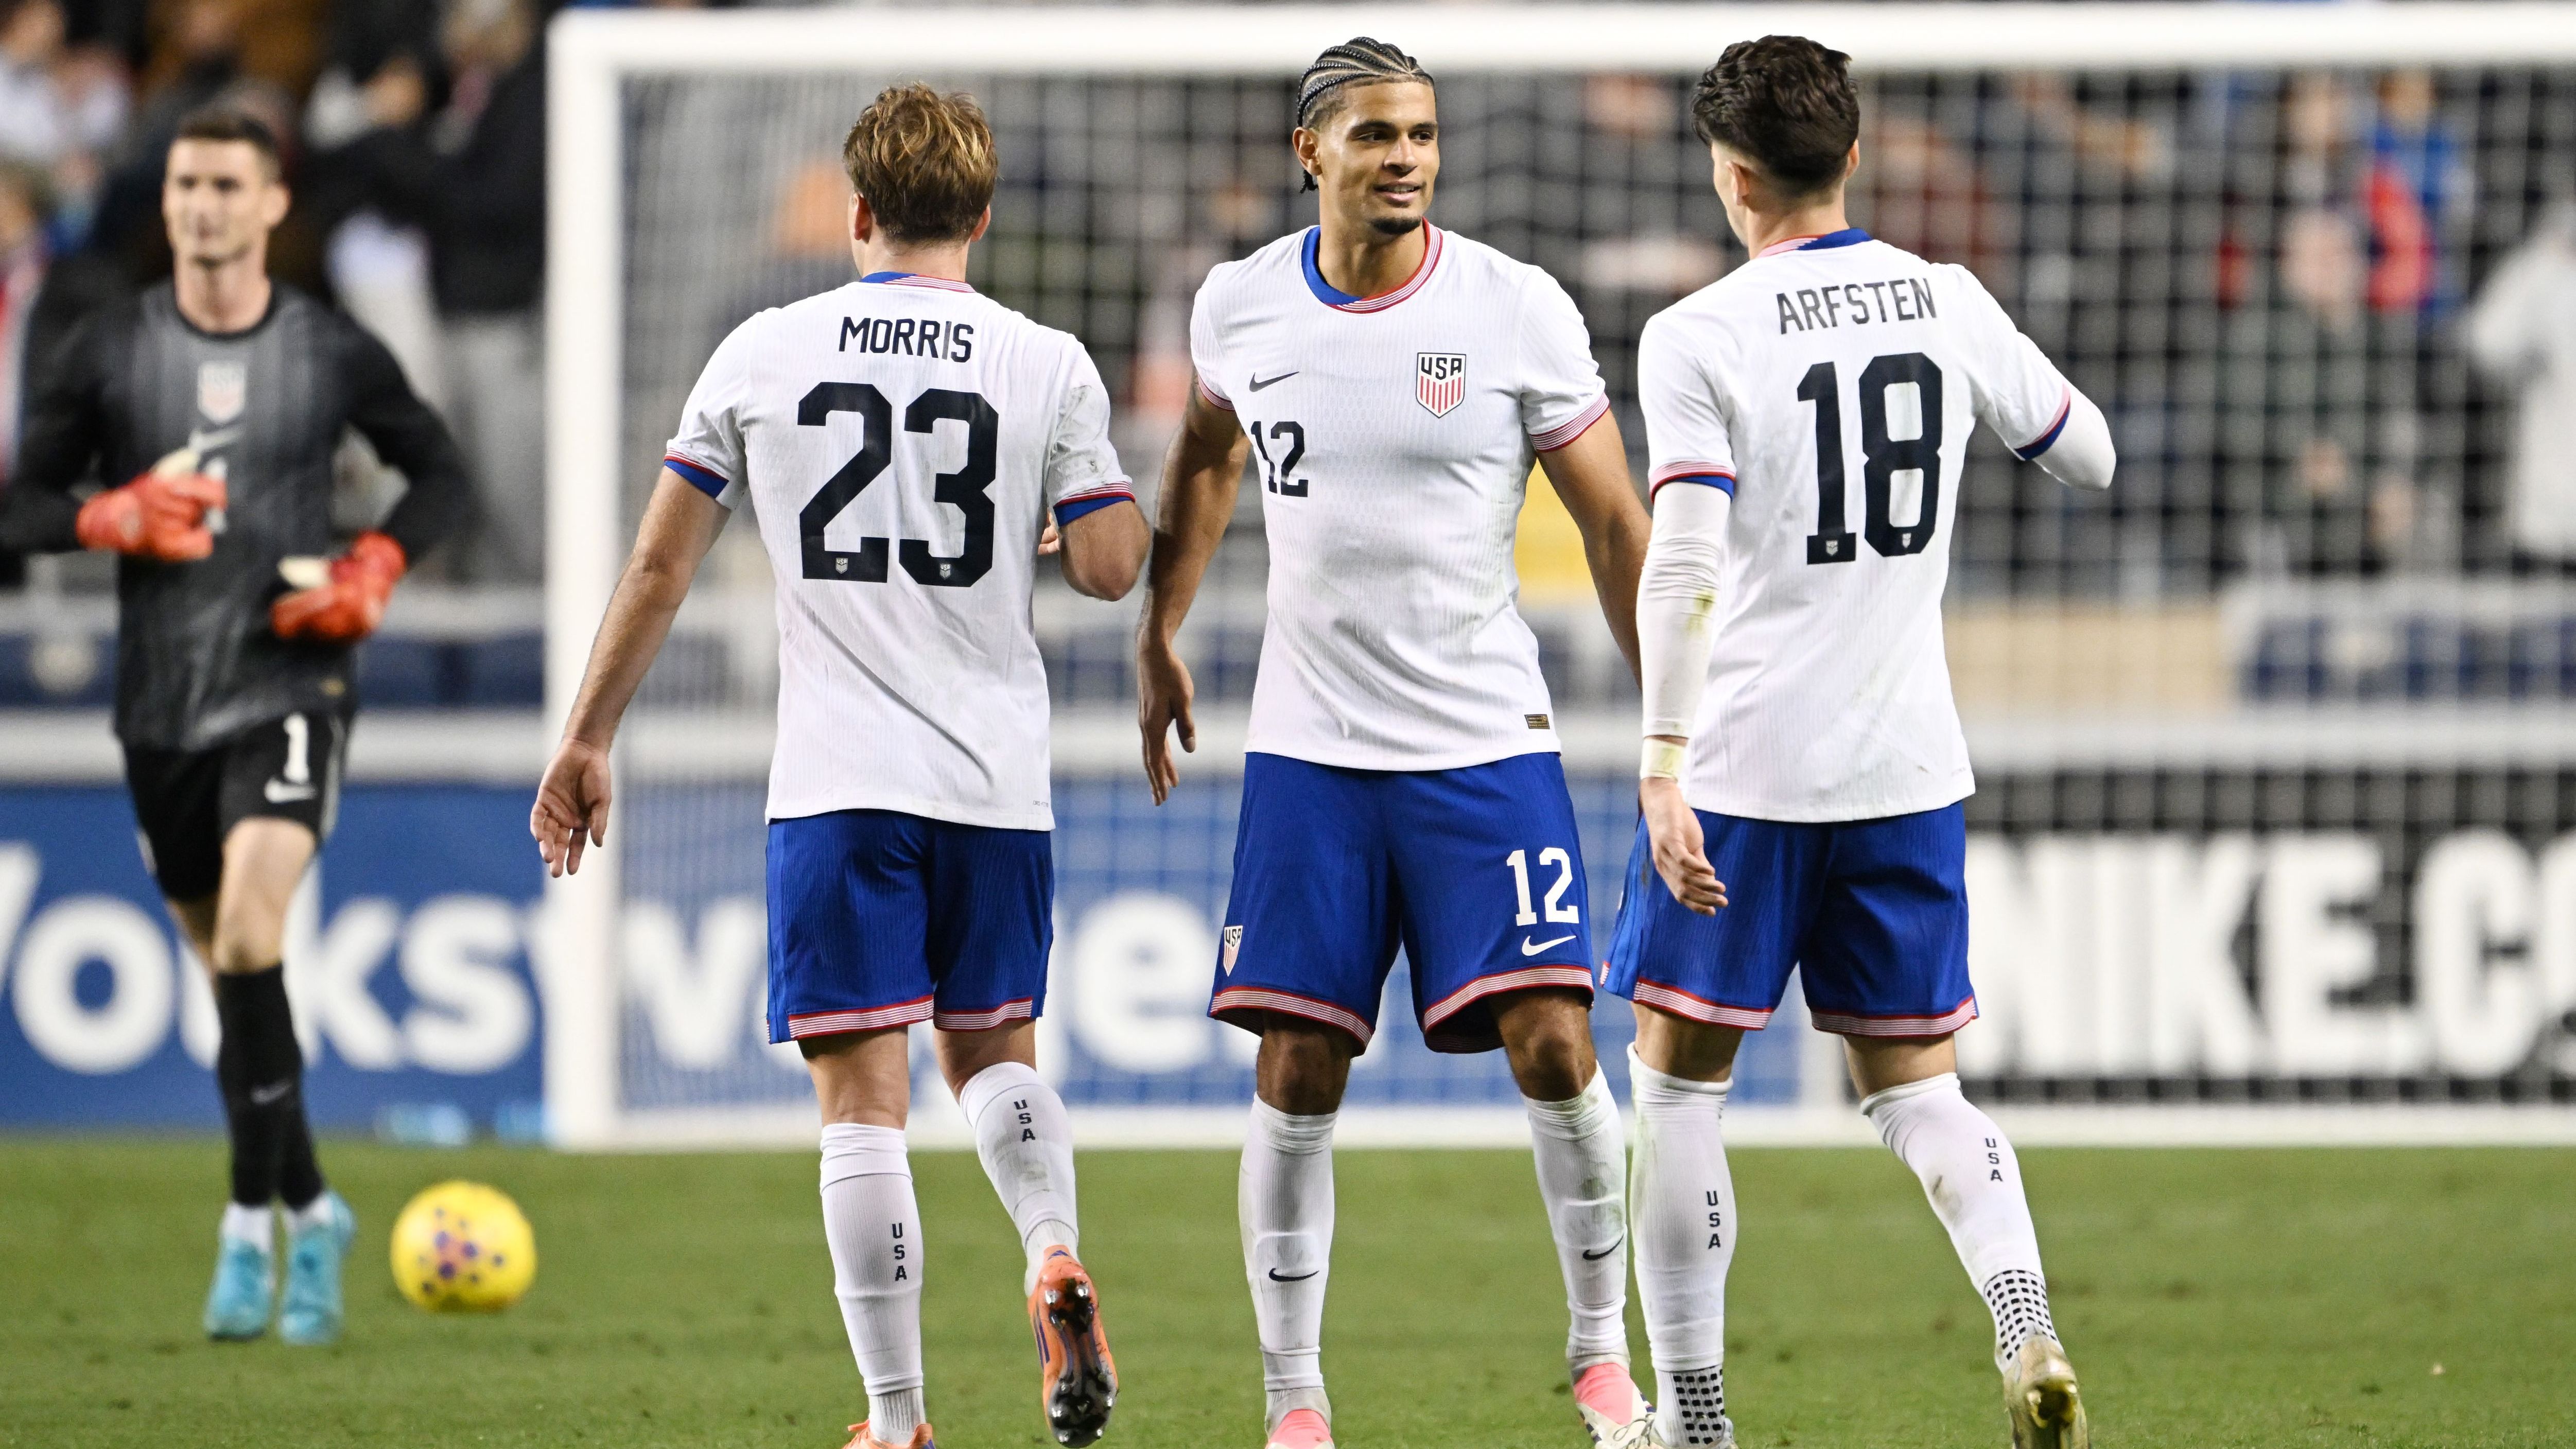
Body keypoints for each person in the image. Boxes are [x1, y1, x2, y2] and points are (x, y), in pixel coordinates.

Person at [530, 84, 1150, 1449]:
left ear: (856, 211)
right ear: (982, 218)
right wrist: (1069, 510)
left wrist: (586, 736)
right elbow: (1111, 570)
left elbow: (657, 565)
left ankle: (896, 1420)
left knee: (858, 1103)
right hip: (993, 782)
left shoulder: (762, 352)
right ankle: (1051, 1250)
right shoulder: (1044, 361)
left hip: (834, 780)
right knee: (990, 1056)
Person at [1136, 38, 1656, 1449]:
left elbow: (1615, 521)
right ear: (1311, 151)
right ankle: (1294, 1400)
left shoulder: (1514, 309)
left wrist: (1675, 712)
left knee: (1555, 1040)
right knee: (1298, 1069)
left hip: (1484, 741)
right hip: (1310, 752)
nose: (1406, 159)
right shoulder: (1239, 305)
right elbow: (1200, 456)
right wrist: (1157, 629)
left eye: (1421, 135)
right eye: (1375, 136)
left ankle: (1603, 1361)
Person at [1607, 38, 2114, 1449]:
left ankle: (1695, 1421)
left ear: (1729, 173)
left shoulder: (1698, 333)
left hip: (1746, 773)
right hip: (1905, 768)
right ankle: (2025, 1326)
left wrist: (1659, 757)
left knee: (1675, 1089)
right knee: (1919, 1093)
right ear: (1853, 153)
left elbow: (1684, 563)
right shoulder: (1947, 302)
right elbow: (2089, 453)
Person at [0, 105, 471, 1345]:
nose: (202, 203)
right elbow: (21, 506)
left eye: (227, 184)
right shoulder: (109, 349)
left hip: (292, 678)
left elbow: (442, 473)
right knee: (232, 977)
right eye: (185, 184)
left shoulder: (328, 348)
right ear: (166, 205)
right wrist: (108, 517)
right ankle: (316, 1205)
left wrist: (374, 563)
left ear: (272, 205)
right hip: (161, 701)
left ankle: (249, 1231)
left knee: (256, 930)